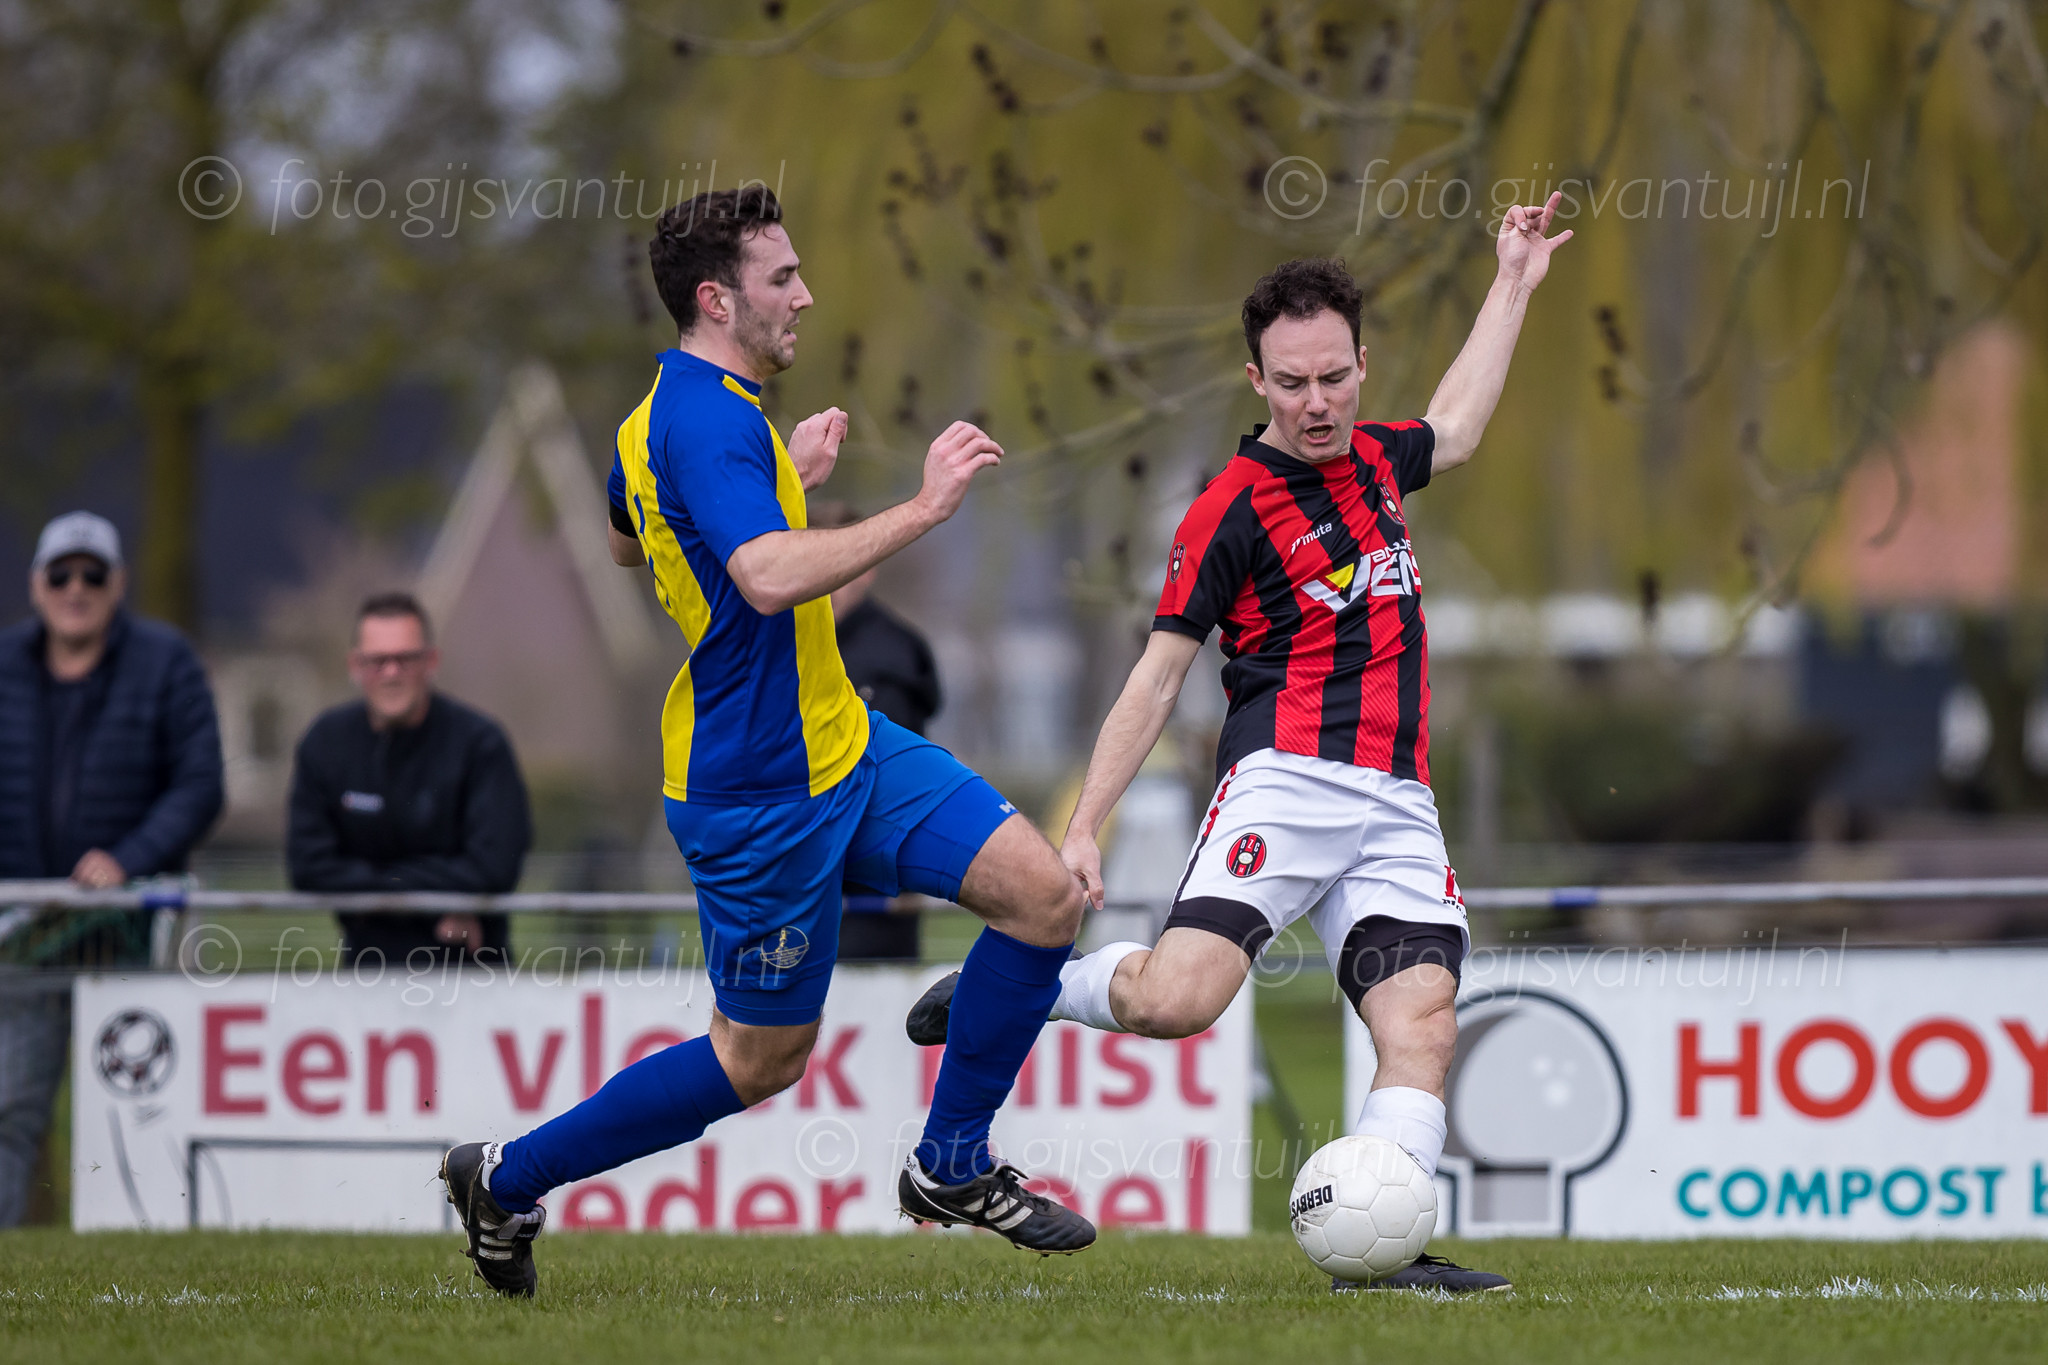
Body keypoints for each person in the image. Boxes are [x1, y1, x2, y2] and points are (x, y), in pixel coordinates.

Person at [911, 196, 1575, 1293]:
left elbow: (1455, 427)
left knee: (1421, 1022)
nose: (1317, 403)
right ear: (1255, 380)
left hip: (1396, 800)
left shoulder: (1377, 461)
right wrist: (1083, 827)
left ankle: (1386, 1248)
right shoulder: (1228, 507)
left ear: (1361, 366)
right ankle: (1032, 988)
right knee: (1175, 1003)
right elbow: (1155, 677)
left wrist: (1511, 281)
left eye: (1335, 377)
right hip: (1285, 784)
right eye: (1293, 382)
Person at [437, 185, 1090, 1298]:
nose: (804, 295)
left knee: (1043, 898)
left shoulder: (666, 419)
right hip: (756, 792)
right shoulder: (703, 422)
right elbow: (766, 575)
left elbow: (628, 539)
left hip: (846, 744)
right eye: (781, 277)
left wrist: (778, 474)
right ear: (716, 299)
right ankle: (503, 1179)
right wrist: (922, 507)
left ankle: (950, 1165)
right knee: (759, 1060)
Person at [0, 511, 223, 1227]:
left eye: (92, 574)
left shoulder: (167, 661)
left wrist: (128, 858)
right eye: (61, 573)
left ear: (118, 583)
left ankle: (144, 1248)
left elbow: (201, 785)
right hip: (24, 933)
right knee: (10, 1106)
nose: (77, 588)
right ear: (36, 584)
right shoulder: (5, 664)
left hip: (128, 932)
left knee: (140, 1108)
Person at [287, 592, 531, 967]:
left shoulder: (480, 744)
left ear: (431, 661)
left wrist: (372, 893)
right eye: (377, 661)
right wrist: (436, 903)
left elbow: (496, 865)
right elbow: (307, 866)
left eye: (405, 659)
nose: (391, 673)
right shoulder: (325, 743)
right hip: (364, 978)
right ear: (355, 665)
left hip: (473, 973)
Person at [813, 499, 943, 962]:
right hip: (800, 880)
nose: (825, 579)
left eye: (839, 563)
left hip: (870, 890)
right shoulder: (785, 643)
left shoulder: (891, 657)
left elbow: (894, 784)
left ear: (866, 568)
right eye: (812, 562)